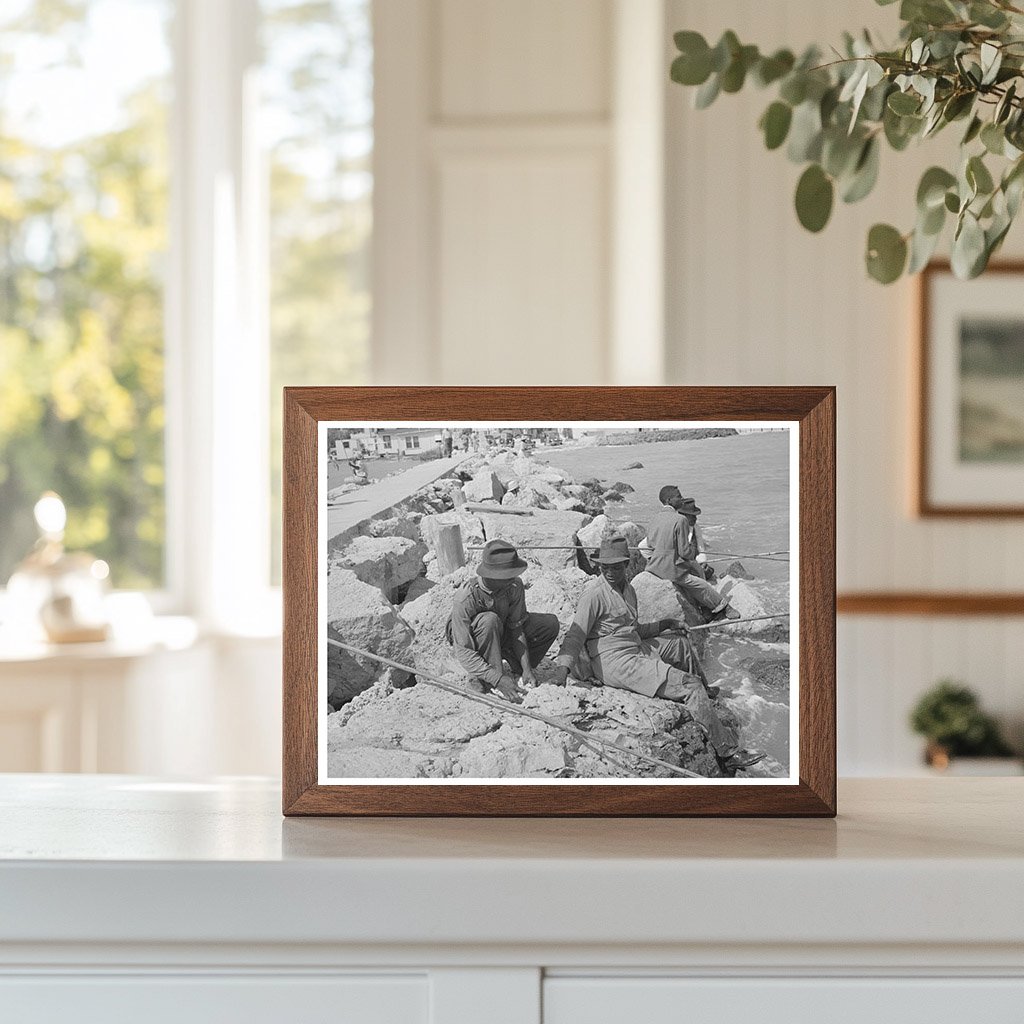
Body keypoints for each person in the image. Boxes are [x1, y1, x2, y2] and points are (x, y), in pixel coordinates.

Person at [552, 536, 762, 774]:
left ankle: (707, 697)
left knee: (680, 645)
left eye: (616, 566)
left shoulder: (629, 589)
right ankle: (727, 752)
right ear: (599, 566)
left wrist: (667, 623)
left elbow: (634, 630)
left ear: (626, 564)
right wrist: (563, 670)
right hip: (615, 661)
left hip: (633, 645)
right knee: (689, 686)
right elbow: (575, 635)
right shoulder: (594, 595)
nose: (610, 572)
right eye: (605, 567)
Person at [446, 539, 560, 702]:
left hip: (501, 633)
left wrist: (526, 668)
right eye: (507, 577)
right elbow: (463, 650)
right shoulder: (465, 598)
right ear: (491, 575)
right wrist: (498, 679)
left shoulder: (513, 586)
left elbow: (517, 627)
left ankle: (514, 667)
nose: (512, 579)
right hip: (479, 639)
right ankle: (490, 677)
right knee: (489, 620)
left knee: (549, 624)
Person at [644, 486, 739, 622]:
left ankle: (706, 608)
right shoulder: (680, 520)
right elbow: (685, 552)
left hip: (653, 566)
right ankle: (723, 607)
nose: (681, 498)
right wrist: (693, 550)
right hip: (670, 569)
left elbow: (651, 543)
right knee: (701, 584)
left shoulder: (654, 518)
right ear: (669, 500)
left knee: (696, 570)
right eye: (678, 496)